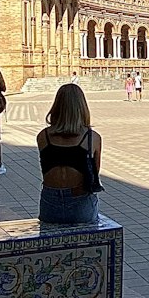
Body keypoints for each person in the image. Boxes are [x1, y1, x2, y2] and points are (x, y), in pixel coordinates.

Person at [36, 83, 102, 225]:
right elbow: (94, 172)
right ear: (82, 108)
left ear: (57, 107)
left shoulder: (43, 136)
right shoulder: (93, 138)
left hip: (50, 201)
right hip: (81, 202)